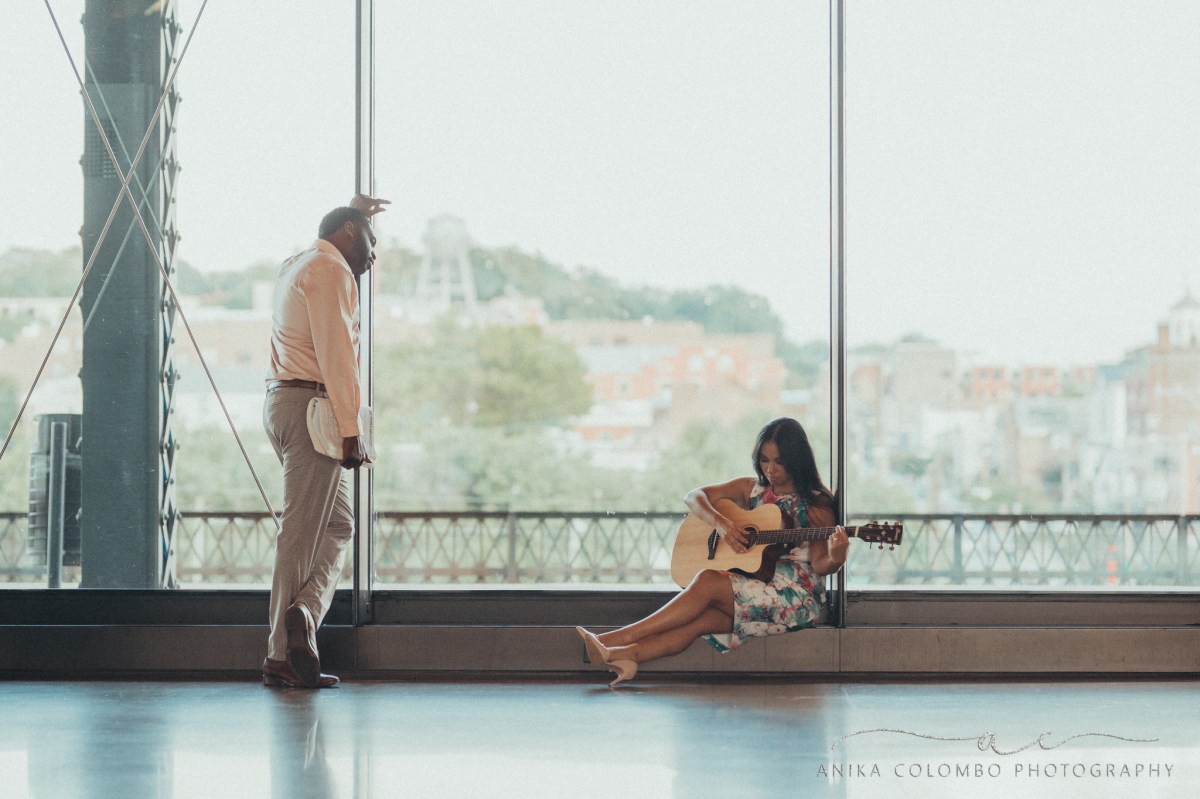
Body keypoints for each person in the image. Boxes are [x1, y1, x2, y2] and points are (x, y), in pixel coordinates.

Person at [576, 417, 849, 687]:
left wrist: (836, 558)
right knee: (699, 622)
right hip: (756, 582)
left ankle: (613, 640)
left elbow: (821, 564)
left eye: (779, 461)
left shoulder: (815, 505)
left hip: (794, 598)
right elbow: (694, 496)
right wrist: (722, 524)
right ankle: (627, 657)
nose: (771, 469)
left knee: (707, 580)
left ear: (797, 460)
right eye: (765, 460)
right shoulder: (751, 488)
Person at [261, 193, 388, 689]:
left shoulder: (296, 263)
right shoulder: (331, 271)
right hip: (313, 409)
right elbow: (338, 356)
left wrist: (351, 206)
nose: (374, 256)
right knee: (301, 532)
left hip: (283, 403)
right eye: (371, 242)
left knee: (337, 525)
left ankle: (304, 615)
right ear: (350, 233)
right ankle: (280, 653)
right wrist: (351, 431)